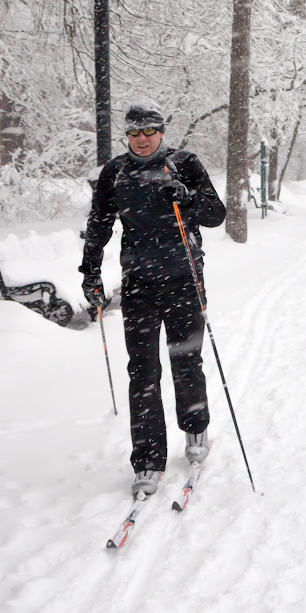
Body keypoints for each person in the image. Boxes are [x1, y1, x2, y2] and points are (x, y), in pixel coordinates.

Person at [79, 101, 226, 496]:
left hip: (184, 281)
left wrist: (189, 197)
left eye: (149, 132)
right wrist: (89, 273)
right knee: (142, 371)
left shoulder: (185, 164)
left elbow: (216, 214)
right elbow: (99, 225)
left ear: (162, 131)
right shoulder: (115, 172)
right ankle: (147, 457)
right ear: (126, 135)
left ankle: (196, 431)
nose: (142, 140)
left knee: (185, 361)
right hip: (139, 285)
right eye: (134, 133)